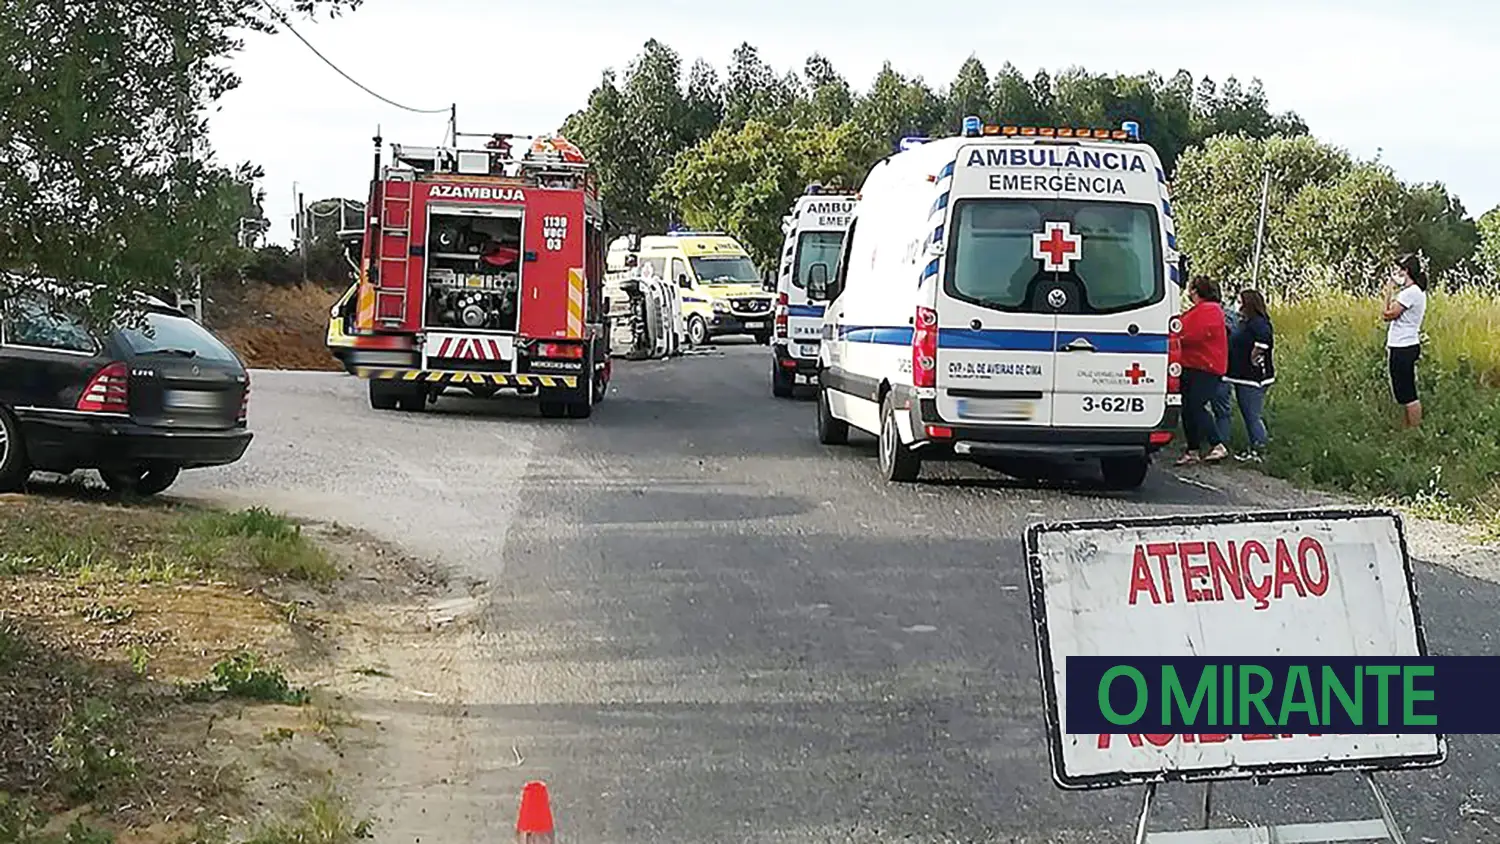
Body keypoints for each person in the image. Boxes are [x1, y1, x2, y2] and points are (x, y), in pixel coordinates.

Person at [1176, 277, 1230, 466]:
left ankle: (1217, 444)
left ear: (1196, 291)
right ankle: (1193, 449)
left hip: (1206, 367)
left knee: (1196, 405)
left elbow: (1195, 334)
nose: (1188, 293)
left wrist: (1176, 336)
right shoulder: (1200, 310)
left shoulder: (1210, 310)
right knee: (1188, 408)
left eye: (1191, 289)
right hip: (1192, 365)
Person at [1225, 288, 1275, 461]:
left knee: (1252, 415)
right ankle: (1256, 447)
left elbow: (1263, 341)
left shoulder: (1258, 323)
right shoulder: (1246, 322)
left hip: (1252, 378)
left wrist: (1253, 356)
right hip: (1244, 376)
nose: (1237, 304)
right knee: (1251, 414)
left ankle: (1259, 450)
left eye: (1240, 301)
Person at [1382, 254, 1428, 428]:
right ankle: (1407, 429)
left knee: (1408, 394)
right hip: (1406, 345)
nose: (1396, 273)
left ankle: (1414, 432)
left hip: (1403, 346)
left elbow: (1387, 315)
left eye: (1398, 269)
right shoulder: (1416, 292)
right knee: (1403, 391)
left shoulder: (1409, 293)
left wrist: (1388, 291)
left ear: (1406, 271)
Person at [1211, 304, 1240, 447]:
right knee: (1222, 409)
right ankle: (1222, 441)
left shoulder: (1209, 315)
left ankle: (1216, 442)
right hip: (1226, 367)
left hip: (1211, 367)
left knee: (1197, 407)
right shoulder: (1233, 316)